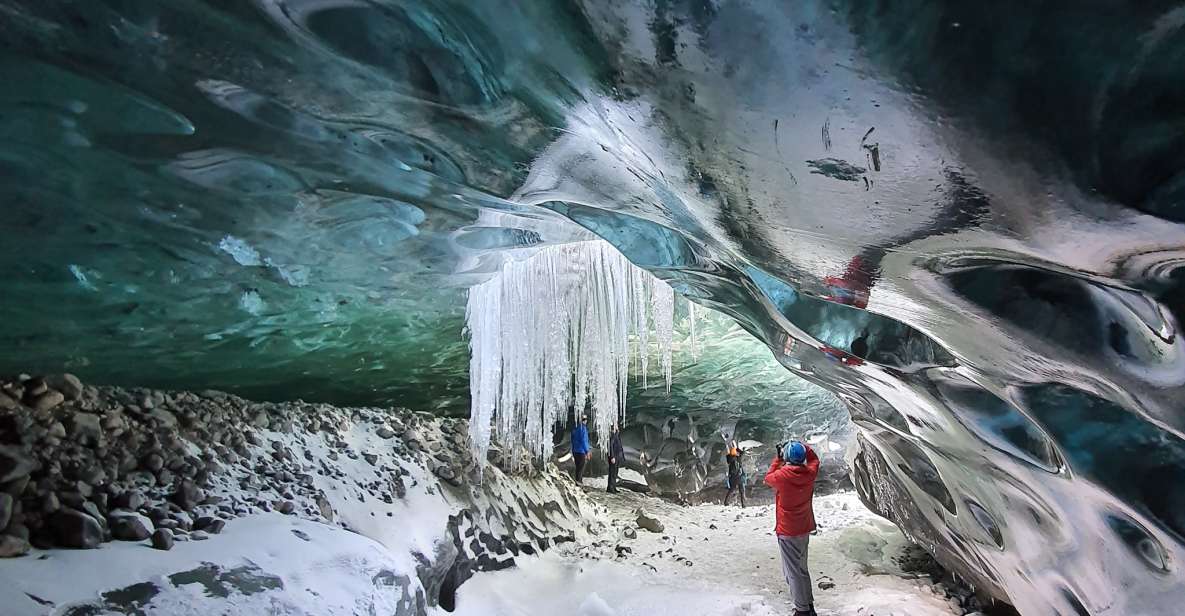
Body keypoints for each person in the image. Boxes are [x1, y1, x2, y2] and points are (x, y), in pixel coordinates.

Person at [764, 440, 821, 616]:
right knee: (801, 568)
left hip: (787, 530)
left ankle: (802, 610)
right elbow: (814, 460)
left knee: (793, 571)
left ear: (786, 457)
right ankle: (808, 605)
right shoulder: (809, 474)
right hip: (804, 528)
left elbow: (768, 477)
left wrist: (777, 458)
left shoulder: (781, 476)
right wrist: (804, 446)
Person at [723, 440, 746, 507]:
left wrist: (736, 448)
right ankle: (743, 504)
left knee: (735, 489)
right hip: (737, 476)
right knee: (739, 490)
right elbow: (741, 453)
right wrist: (737, 448)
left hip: (735, 476)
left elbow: (741, 453)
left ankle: (726, 502)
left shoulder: (733, 458)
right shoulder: (735, 458)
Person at [571, 414, 590, 483]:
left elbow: (572, 440)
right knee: (581, 469)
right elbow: (584, 440)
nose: (586, 421)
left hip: (575, 451)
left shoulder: (575, 428)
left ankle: (577, 482)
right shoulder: (583, 429)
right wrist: (587, 451)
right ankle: (579, 483)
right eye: (585, 420)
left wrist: (573, 450)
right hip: (581, 451)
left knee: (578, 468)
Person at [607, 423, 625, 493]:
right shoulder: (613, 435)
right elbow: (610, 446)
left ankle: (613, 487)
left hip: (617, 456)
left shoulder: (616, 434)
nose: (618, 427)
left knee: (615, 472)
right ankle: (610, 488)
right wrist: (612, 457)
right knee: (612, 472)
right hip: (614, 456)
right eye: (616, 426)